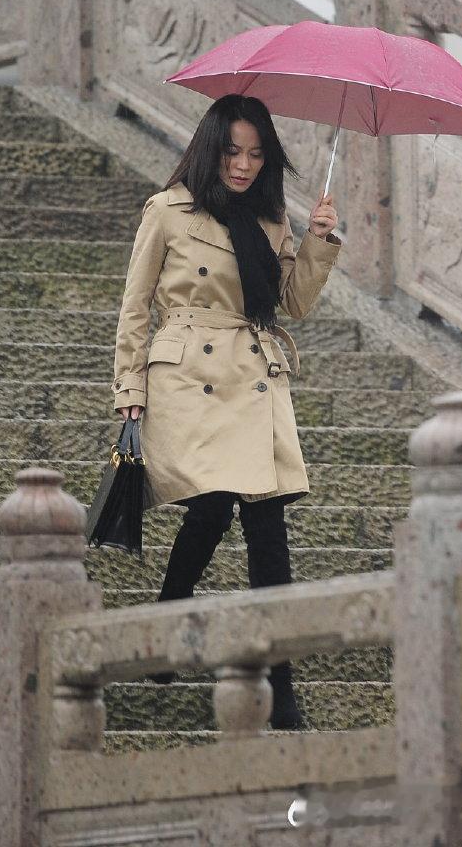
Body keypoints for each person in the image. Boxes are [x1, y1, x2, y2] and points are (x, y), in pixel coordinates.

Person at [111, 93, 341, 730]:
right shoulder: (167, 211)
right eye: (234, 151)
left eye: (256, 154)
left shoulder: (270, 220)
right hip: (186, 375)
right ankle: (168, 618)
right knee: (211, 504)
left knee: (268, 530)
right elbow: (134, 309)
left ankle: (282, 685)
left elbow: (291, 304)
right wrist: (128, 393)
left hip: (252, 373)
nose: (243, 165)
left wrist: (318, 241)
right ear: (212, 148)